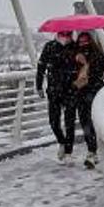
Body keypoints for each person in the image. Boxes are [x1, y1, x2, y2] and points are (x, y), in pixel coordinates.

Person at [36, 31, 76, 161]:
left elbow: (82, 67)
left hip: (71, 90)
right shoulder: (50, 46)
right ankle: (62, 141)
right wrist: (39, 86)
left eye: (68, 33)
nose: (65, 36)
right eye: (63, 33)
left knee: (70, 122)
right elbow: (41, 67)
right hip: (54, 90)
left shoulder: (74, 47)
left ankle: (69, 152)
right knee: (53, 121)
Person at [70, 31, 104, 169]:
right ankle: (92, 151)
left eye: (85, 42)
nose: (83, 45)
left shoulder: (97, 56)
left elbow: (98, 73)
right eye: (81, 42)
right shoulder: (75, 57)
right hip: (82, 94)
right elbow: (70, 75)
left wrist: (86, 64)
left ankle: (95, 150)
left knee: (94, 122)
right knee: (86, 122)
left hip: (94, 93)